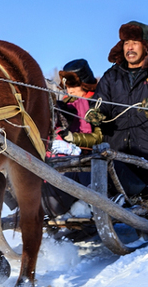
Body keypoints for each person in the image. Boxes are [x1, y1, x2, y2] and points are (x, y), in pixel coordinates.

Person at [87, 20, 148, 198]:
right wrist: (96, 112)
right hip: (117, 152)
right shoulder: (111, 76)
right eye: (126, 43)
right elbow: (101, 101)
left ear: (146, 46)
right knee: (112, 196)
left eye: (135, 43)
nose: (129, 48)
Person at [43, 59, 103, 218]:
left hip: (91, 158)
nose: (69, 90)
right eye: (67, 86)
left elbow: (100, 136)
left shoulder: (98, 102)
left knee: (81, 173)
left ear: (84, 83)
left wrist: (73, 138)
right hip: (69, 157)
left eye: (73, 86)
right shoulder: (68, 104)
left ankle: (87, 206)